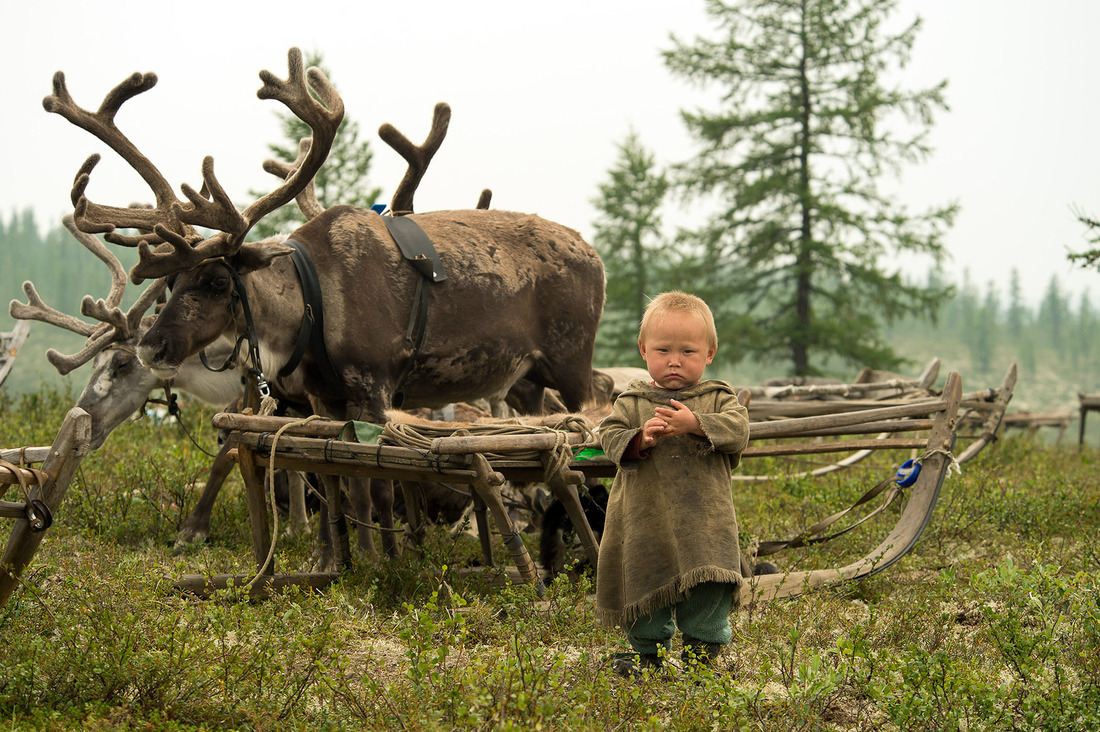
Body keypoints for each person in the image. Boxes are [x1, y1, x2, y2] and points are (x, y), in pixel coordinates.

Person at [595, 291, 750, 678]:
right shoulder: (631, 401)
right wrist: (638, 438)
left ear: (710, 352)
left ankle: (702, 658)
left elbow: (739, 430)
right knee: (645, 583)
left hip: (704, 521)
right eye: (663, 350)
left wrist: (696, 424)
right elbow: (609, 434)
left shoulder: (716, 397)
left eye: (688, 352)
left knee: (708, 587)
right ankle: (649, 655)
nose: (675, 361)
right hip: (645, 520)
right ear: (643, 349)